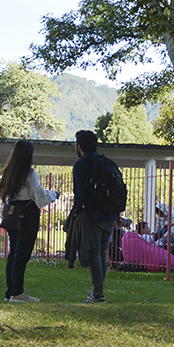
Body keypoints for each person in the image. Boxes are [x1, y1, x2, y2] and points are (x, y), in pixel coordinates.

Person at [0, 140, 60, 303]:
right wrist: (54, 195)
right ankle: (17, 292)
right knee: (22, 253)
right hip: (28, 214)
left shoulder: (8, 173)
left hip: (12, 213)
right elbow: (38, 196)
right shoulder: (29, 173)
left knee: (14, 253)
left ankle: (10, 291)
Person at [72, 129, 122, 303]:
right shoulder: (107, 162)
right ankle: (97, 291)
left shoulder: (80, 165)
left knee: (94, 253)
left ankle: (98, 294)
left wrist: (76, 213)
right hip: (109, 214)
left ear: (79, 146)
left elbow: (79, 193)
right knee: (102, 252)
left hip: (92, 215)